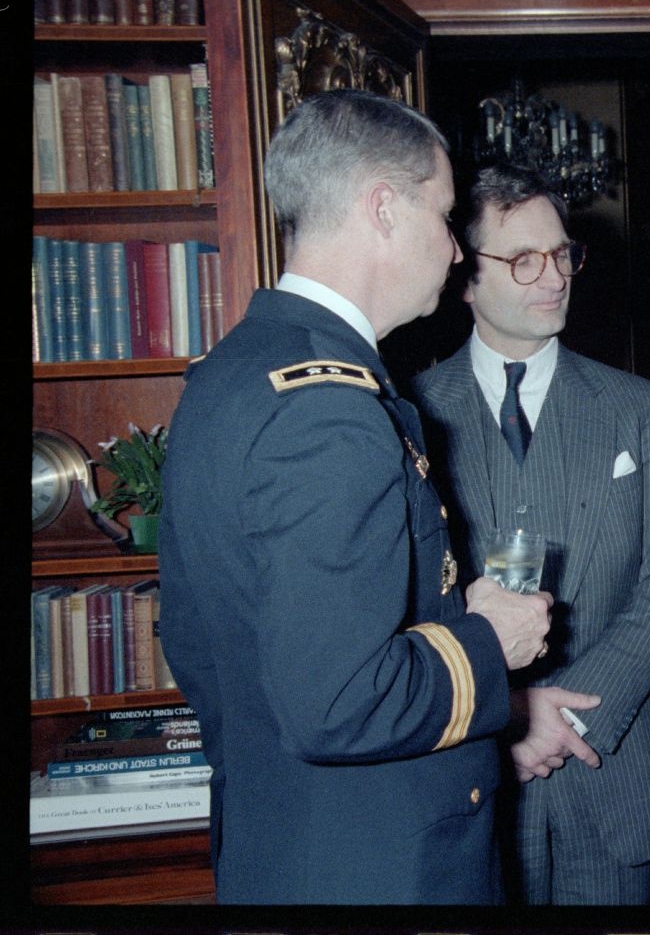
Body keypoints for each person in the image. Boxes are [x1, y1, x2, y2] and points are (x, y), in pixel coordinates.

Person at [157, 90, 551, 905]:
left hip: (286, 837)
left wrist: (441, 621)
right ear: (383, 208)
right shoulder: (330, 413)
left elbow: (202, 640)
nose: (453, 252)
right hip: (377, 863)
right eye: (443, 217)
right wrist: (486, 642)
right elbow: (337, 701)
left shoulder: (230, 373)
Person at [412, 161, 650, 905]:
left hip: (613, 769)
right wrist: (507, 712)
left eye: (563, 254)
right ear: (465, 277)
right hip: (471, 771)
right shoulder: (407, 414)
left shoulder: (637, 408)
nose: (555, 276)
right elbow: (406, 599)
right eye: (523, 259)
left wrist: (567, 713)